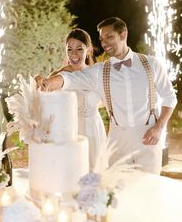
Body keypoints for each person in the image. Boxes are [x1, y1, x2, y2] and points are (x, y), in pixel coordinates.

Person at [38, 17, 177, 175]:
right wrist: (47, 83)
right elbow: (70, 78)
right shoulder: (99, 71)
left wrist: (158, 128)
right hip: (116, 138)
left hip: (148, 135)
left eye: (109, 37)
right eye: (102, 39)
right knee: (116, 190)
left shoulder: (151, 64)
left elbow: (169, 97)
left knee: (148, 188)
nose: (105, 43)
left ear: (123, 34)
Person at [36, 28, 108, 172]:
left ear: (88, 50)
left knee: (96, 173)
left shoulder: (96, 73)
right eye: (69, 49)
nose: (73, 54)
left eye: (79, 49)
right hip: (70, 132)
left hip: (95, 129)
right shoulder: (59, 75)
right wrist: (38, 79)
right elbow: (43, 95)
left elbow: (105, 101)